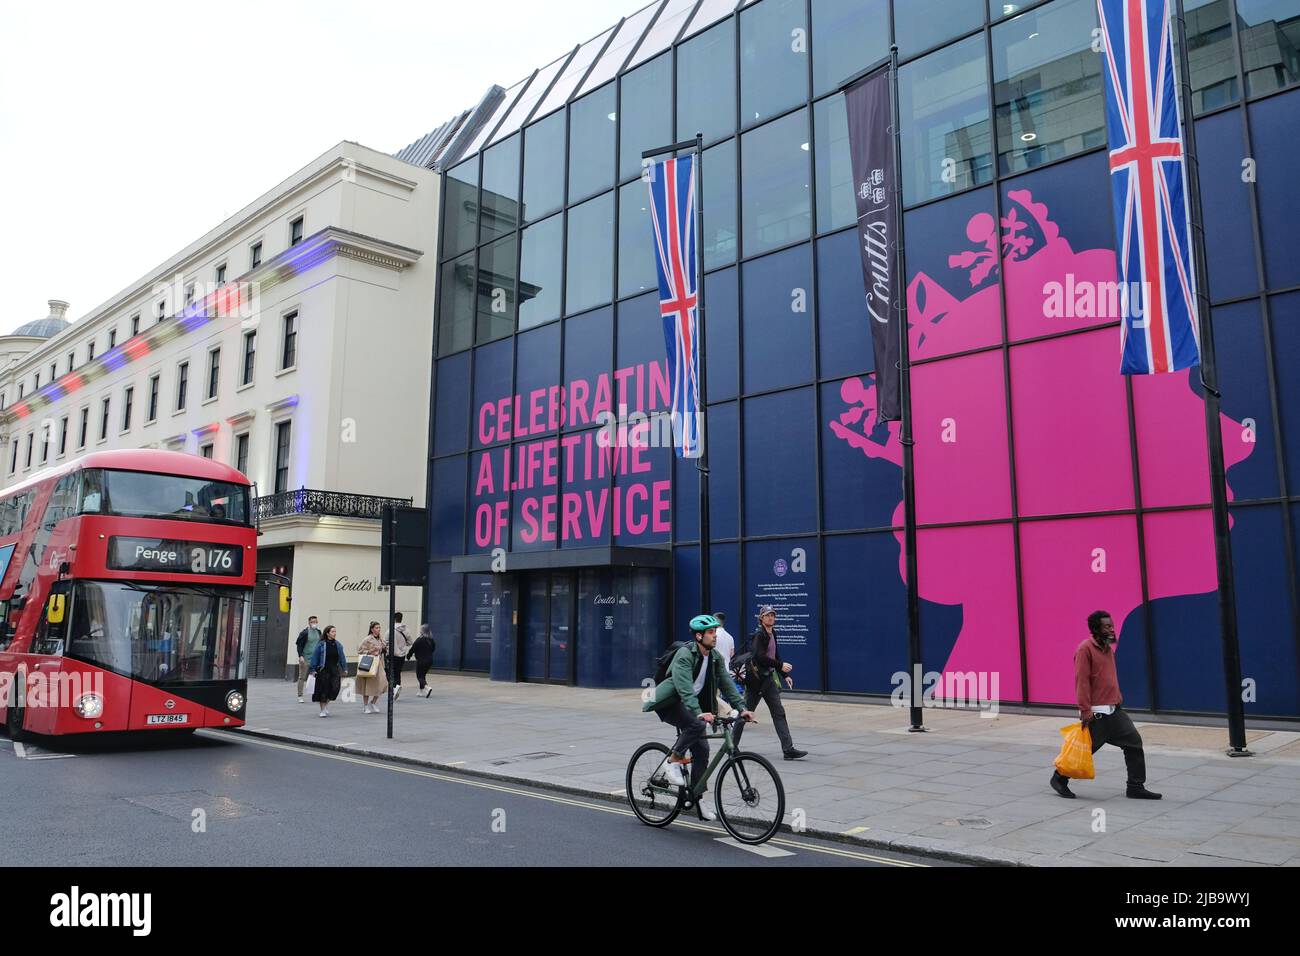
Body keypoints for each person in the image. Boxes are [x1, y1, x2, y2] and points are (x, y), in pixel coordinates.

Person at [640, 613, 754, 822]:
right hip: (672, 703)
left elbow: (726, 684)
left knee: (702, 749)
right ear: (699, 636)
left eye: (715, 632)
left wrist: (741, 707)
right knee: (695, 724)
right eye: (711, 632)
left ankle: (697, 798)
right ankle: (673, 759)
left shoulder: (715, 658)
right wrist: (699, 711)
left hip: (693, 706)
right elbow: (683, 687)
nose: (715, 636)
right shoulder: (685, 654)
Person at [1051, 610, 1161, 800]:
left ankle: (1135, 786)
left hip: (1115, 711)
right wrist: (1085, 710)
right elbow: (1082, 681)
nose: (1112, 629)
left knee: (1134, 743)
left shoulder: (1107, 648)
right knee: (1084, 750)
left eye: (1112, 625)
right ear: (1095, 628)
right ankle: (1059, 778)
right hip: (1097, 714)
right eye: (1107, 626)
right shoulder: (1085, 649)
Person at [731, 605, 807, 760]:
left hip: (768, 680)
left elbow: (775, 655)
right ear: (761, 618)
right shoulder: (760, 635)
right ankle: (732, 746)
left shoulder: (773, 633)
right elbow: (759, 657)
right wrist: (780, 665)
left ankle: (788, 749)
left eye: (773, 615)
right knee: (745, 714)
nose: (771, 618)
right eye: (767, 615)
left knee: (779, 712)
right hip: (756, 682)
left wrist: (784, 674)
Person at [309, 625, 347, 717]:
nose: (335, 633)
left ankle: (326, 705)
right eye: (333, 631)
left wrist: (344, 668)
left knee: (335, 688)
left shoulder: (338, 644)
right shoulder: (321, 644)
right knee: (324, 690)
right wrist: (313, 669)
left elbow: (342, 657)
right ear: (327, 633)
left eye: (335, 631)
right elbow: (315, 657)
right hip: (323, 670)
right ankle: (322, 710)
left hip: (334, 670)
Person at [355, 622, 388, 714]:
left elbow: (385, 648)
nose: (378, 629)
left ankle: (373, 702)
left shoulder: (381, 638)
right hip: (370, 664)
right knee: (367, 686)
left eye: (379, 628)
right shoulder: (367, 639)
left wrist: (385, 647)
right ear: (372, 629)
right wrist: (370, 651)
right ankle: (365, 706)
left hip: (379, 664)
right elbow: (360, 650)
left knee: (383, 683)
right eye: (377, 628)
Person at [712, 611, 736, 718]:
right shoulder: (730, 637)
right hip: (726, 669)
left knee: (712, 694)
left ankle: (722, 713)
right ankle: (729, 713)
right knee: (726, 694)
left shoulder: (712, 636)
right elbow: (732, 654)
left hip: (714, 670)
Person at [295, 615, 322, 703]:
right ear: (309, 623)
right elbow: (299, 644)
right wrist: (300, 656)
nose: (314, 623)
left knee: (317, 677)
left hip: (316, 659)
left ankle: (317, 694)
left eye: (316, 622)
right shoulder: (305, 633)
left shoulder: (318, 632)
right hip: (305, 658)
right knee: (302, 677)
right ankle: (300, 696)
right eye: (312, 622)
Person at [388, 612, 412, 700]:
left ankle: (394, 688)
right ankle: (397, 686)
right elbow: (410, 642)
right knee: (398, 672)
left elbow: (386, 641)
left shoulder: (390, 629)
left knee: (390, 672)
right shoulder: (406, 630)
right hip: (402, 655)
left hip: (392, 654)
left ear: (394, 619)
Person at [409, 624, 435, 698]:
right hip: (429, 660)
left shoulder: (419, 639)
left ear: (422, 631)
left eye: (421, 629)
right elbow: (433, 649)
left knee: (419, 676)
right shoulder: (431, 640)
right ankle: (421, 691)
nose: (420, 630)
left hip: (421, 661)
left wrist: (408, 656)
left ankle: (427, 687)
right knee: (423, 675)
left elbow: (413, 648)